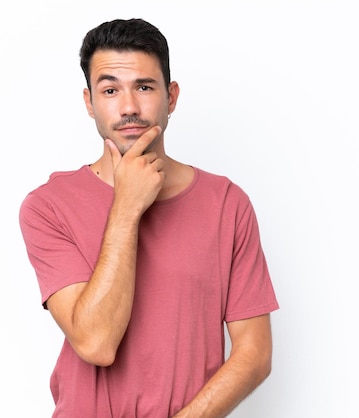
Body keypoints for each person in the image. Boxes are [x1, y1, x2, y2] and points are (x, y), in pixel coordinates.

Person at [19, 18, 279, 418]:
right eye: (110, 90)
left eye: (144, 86)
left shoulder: (227, 204)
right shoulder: (48, 207)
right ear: (89, 102)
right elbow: (96, 343)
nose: (129, 107)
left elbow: (255, 353)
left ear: (171, 97)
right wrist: (126, 205)